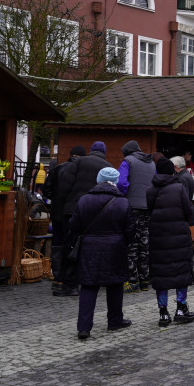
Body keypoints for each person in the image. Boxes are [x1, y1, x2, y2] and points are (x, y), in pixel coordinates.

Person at [70, 167, 133, 340]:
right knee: (115, 284)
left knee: (89, 285)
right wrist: (122, 243)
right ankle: (114, 320)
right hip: (115, 246)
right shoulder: (123, 202)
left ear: (99, 179)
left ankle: (84, 327)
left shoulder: (84, 200)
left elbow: (74, 226)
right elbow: (130, 230)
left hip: (90, 247)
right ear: (115, 181)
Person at [58, 141, 112, 296]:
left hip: (73, 210)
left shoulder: (79, 162)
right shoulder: (108, 167)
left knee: (71, 246)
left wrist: (65, 204)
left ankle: (69, 285)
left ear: (91, 150)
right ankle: (88, 281)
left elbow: (65, 185)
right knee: (90, 247)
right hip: (96, 214)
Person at [147, 157, 194, 327]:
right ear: (171, 171)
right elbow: (189, 211)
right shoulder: (179, 188)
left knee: (161, 275)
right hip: (179, 237)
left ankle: (163, 313)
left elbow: (150, 212)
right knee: (181, 272)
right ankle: (181, 309)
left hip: (158, 238)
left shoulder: (150, 190)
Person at [44, 145, 84, 296]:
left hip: (57, 213)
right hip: (72, 214)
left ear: (71, 154)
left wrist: (55, 200)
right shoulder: (80, 171)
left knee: (58, 245)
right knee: (72, 245)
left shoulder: (57, 169)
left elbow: (47, 190)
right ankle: (70, 278)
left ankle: (58, 278)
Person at [118, 140, 156, 293]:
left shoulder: (127, 161)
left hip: (132, 207)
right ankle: (144, 281)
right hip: (147, 207)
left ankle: (132, 282)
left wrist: (124, 194)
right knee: (144, 245)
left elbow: (121, 182)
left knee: (131, 245)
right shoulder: (152, 163)